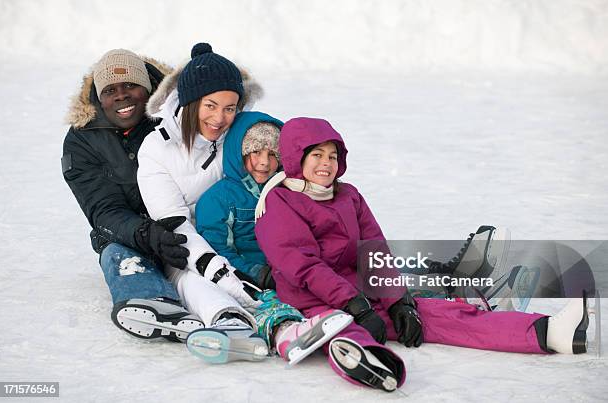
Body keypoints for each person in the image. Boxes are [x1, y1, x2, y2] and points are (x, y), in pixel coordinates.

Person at [254, 117, 592, 392]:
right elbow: (304, 266)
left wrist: (399, 301)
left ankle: (548, 332)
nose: (326, 164)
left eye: (332, 155)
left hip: (361, 291)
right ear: (296, 157)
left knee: (439, 314)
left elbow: (376, 252)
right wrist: (353, 304)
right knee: (341, 327)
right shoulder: (279, 203)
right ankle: (370, 361)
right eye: (316, 155)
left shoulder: (349, 195)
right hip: (313, 301)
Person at [137, 43, 351, 364]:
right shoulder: (156, 149)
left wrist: (280, 178)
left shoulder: (236, 134)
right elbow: (174, 224)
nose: (219, 118)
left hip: (240, 238)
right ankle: (234, 323)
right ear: (190, 101)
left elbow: (273, 149)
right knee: (193, 278)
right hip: (186, 246)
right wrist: (223, 271)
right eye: (210, 105)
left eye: (229, 107)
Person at [61, 49, 205, 342]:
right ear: (99, 99)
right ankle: (156, 304)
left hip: (190, 219)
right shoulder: (81, 141)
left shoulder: (177, 113)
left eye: (131, 86)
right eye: (110, 90)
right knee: (117, 254)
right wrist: (146, 234)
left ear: (150, 88)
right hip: (130, 233)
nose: (121, 96)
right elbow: (102, 209)